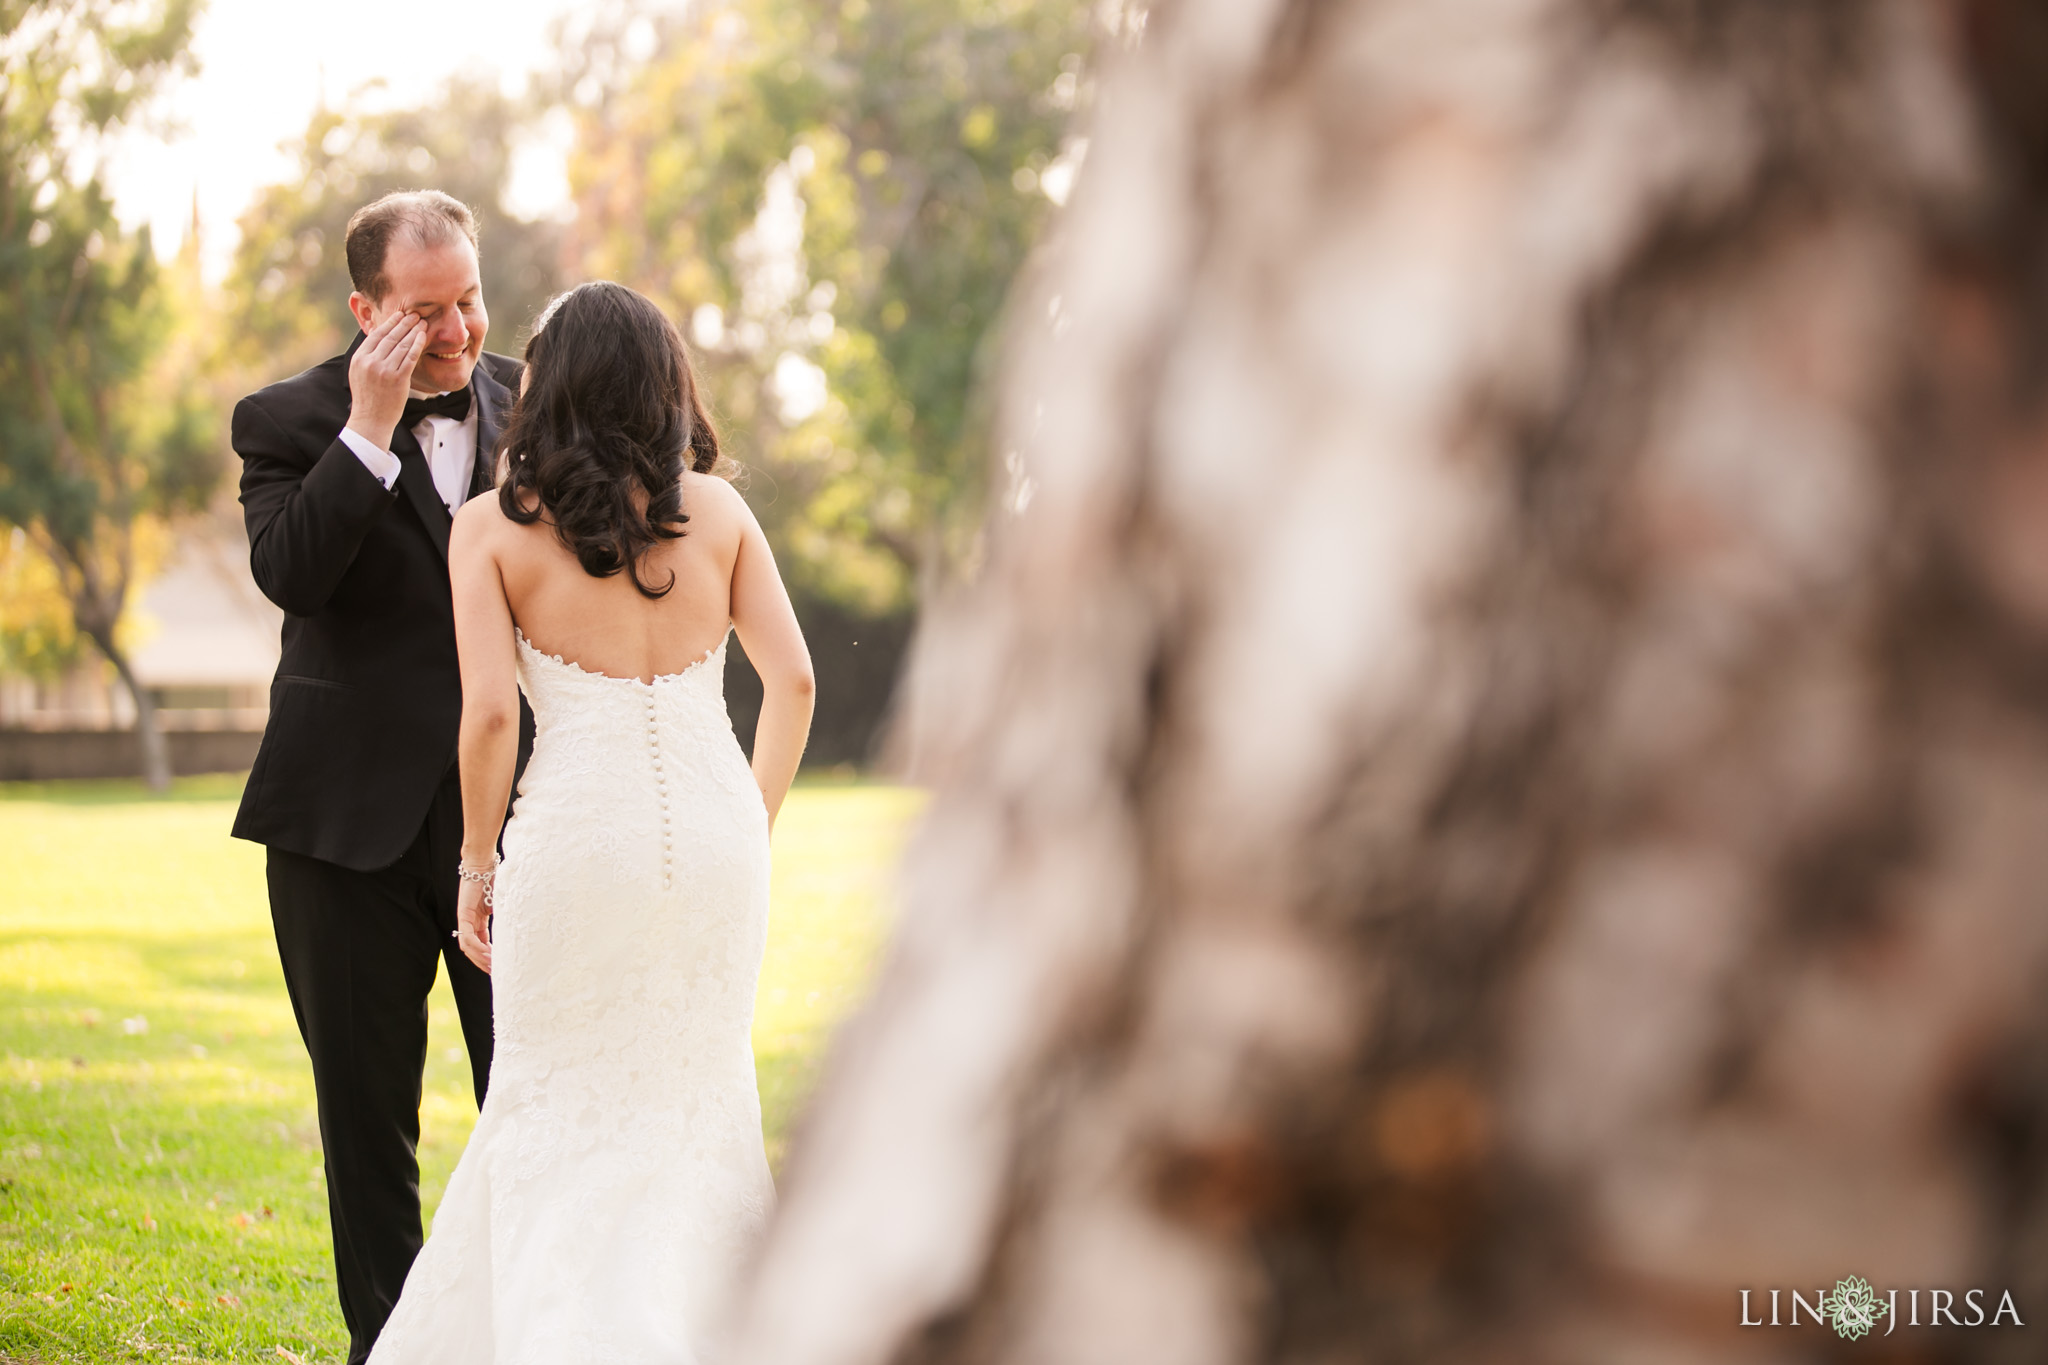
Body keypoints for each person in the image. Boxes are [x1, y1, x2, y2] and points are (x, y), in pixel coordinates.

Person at [365, 280, 815, 1363]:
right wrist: (746, 825)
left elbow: (486, 718)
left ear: (548, 386)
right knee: (702, 1103)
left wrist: (477, 866)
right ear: (670, 385)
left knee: (551, 1103)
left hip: (571, 846)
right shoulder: (721, 513)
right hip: (715, 840)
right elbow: (794, 684)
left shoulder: (489, 530)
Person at [230, 190, 529, 1365]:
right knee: (368, 1128)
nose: (456, 331)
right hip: (341, 833)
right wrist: (368, 429)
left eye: (469, 300)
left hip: (515, 826)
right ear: (365, 310)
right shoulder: (285, 420)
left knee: (534, 1097)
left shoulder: (542, 403)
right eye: (424, 311)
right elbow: (293, 577)